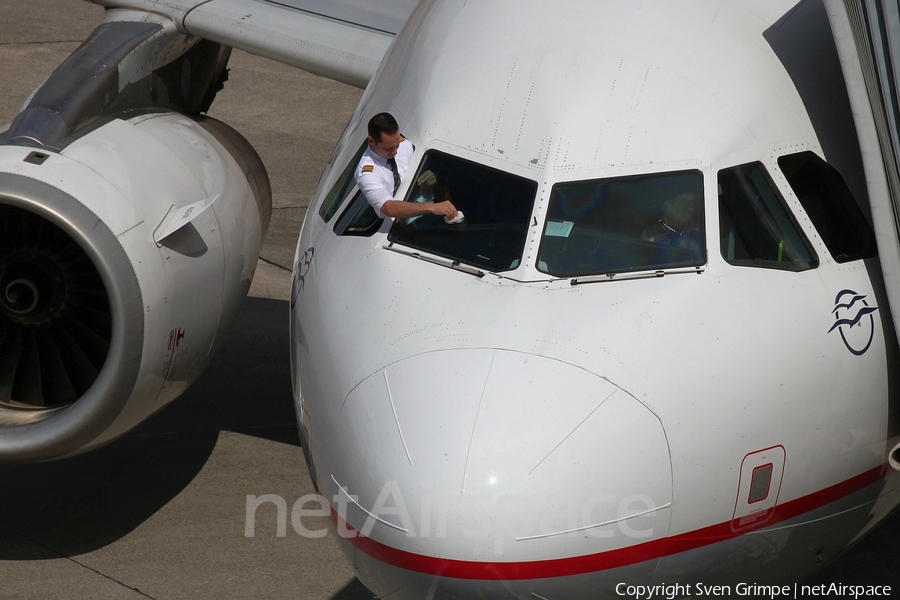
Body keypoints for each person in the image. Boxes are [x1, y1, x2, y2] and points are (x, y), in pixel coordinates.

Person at [355, 112, 458, 220]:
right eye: (389, 148)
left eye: (397, 145)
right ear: (371, 141)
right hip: (404, 222)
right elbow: (388, 208)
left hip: (432, 206)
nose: (395, 152)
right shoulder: (367, 173)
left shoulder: (406, 145)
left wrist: (433, 179)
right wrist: (432, 208)